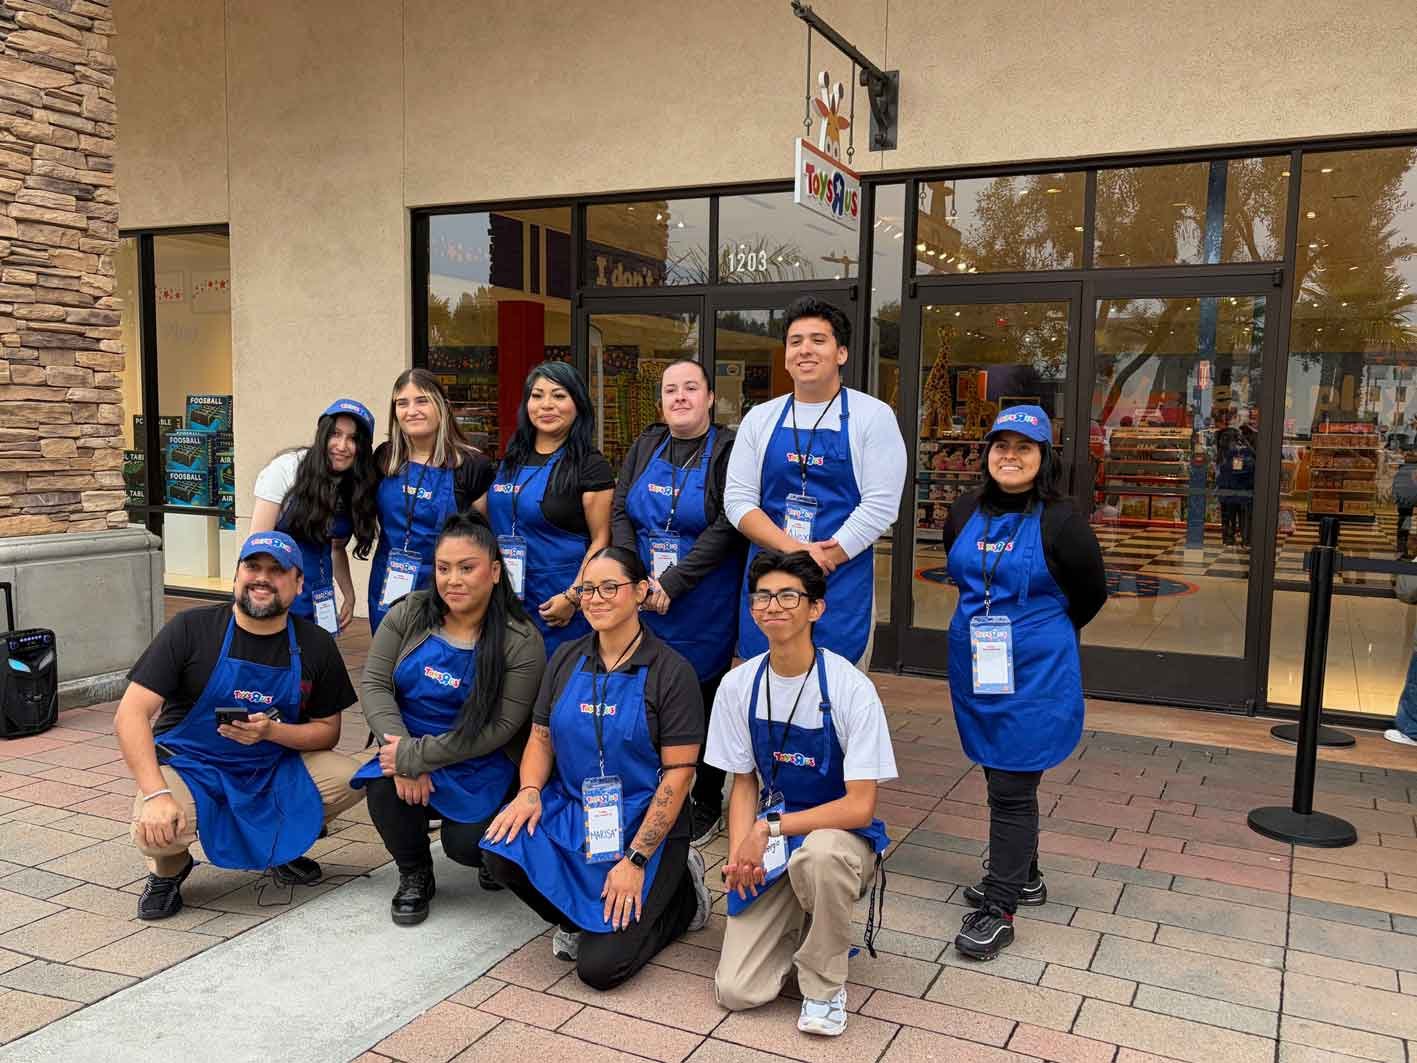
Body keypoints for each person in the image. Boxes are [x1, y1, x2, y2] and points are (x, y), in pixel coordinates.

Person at [480, 546, 712, 990]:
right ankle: (574, 916)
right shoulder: (566, 658)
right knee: (498, 848)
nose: (596, 598)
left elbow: (680, 774)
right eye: (588, 589)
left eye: (611, 587)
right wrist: (529, 792)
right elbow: (541, 737)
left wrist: (637, 859)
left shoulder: (671, 672)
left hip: (645, 826)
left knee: (600, 970)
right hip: (575, 811)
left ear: (641, 591)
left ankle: (681, 897)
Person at [115, 531, 364, 921]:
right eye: (253, 567)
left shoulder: (315, 644)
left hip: (271, 767)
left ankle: (282, 846)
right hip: (193, 768)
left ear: (299, 585)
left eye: (277, 570)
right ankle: (169, 870)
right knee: (157, 831)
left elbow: (327, 731)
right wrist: (155, 794)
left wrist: (273, 732)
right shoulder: (191, 628)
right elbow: (129, 715)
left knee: (352, 776)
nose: (262, 577)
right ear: (236, 577)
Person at [942, 405, 1107, 959]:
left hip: (1036, 673)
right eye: (1000, 446)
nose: (1009, 457)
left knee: (1012, 788)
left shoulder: (1064, 521)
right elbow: (959, 571)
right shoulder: (964, 510)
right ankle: (1027, 874)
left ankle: (999, 905)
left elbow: (1090, 594)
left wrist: (1040, 633)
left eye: (1024, 448)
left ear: (1044, 458)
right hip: (978, 666)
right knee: (1001, 772)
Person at [708, 549, 894, 1037]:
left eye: (789, 596)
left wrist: (766, 828)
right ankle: (800, 923)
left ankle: (824, 986)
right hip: (770, 840)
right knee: (737, 991)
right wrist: (738, 857)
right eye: (763, 596)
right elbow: (743, 780)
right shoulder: (737, 686)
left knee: (821, 857)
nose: (773, 606)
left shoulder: (852, 689)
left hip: (837, 837)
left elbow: (860, 806)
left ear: (816, 608)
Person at [353, 512, 546, 923]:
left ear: (495, 572)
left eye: (466, 568)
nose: (452, 579)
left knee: (465, 846)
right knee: (384, 791)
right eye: (443, 568)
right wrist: (401, 750)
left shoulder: (521, 638)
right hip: (405, 743)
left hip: (478, 760)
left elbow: (503, 727)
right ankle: (414, 873)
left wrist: (419, 756)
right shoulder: (408, 614)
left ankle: (490, 855)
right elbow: (374, 685)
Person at [725, 295, 906, 668]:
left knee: (834, 698)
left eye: (818, 340)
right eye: (795, 341)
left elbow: (880, 507)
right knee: (765, 694)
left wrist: (823, 558)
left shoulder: (872, 416)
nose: (805, 350)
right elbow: (738, 501)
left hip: (840, 579)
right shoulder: (760, 419)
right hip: (770, 579)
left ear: (841, 353)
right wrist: (794, 549)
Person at [612, 358, 744, 844]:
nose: (681, 397)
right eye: (671, 390)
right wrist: (636, 575)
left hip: (701, 602)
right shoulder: (647, 444)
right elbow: (622, 508)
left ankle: (707, 798)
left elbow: (730, 523)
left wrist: (675, 581)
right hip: (645, 597)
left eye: (692, 388)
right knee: (647, 698)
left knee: (702, 702)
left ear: (710, 397)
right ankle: (655, 789)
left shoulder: (728, 450)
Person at [479, 361, 614, 659]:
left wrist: (574, 596)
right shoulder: (511, 458)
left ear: (577, 403)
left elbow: (601, 540)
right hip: (506, 599)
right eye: (537, 395)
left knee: (555, 691)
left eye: (559, 395)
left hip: (559, 606)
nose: (546, 405)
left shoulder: (590, 465)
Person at [368, 369, 495, 632]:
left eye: (422, 400)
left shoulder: (471, 466)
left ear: (442, 406)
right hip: (388, 580)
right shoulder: (384, 458)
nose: (411, 410)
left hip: (448, 587)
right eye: (402, 403)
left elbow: (486, 539)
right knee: (389, 661)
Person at [251, 398, 380, 634]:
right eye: (336, 434)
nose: (342, 445)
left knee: (317, 666)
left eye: (352, 439)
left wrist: (349, 596)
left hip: (321, 599)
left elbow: (336, 548)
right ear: (322, 435)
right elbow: (257, 547)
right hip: (277, 597)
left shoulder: (353, 485)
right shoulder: (287, 469)